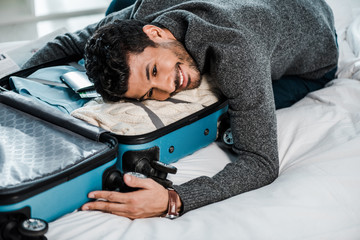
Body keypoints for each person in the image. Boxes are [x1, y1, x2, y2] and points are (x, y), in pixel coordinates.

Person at [23, 0, 338, 219]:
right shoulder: (144, 14)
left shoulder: (236, 54)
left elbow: (261, 164)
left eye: (153, 73)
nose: (167, 89)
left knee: (226, 112)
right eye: (150, 92)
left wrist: (173, 199)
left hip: (315, 52)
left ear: (155, 33)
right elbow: (68, 43)